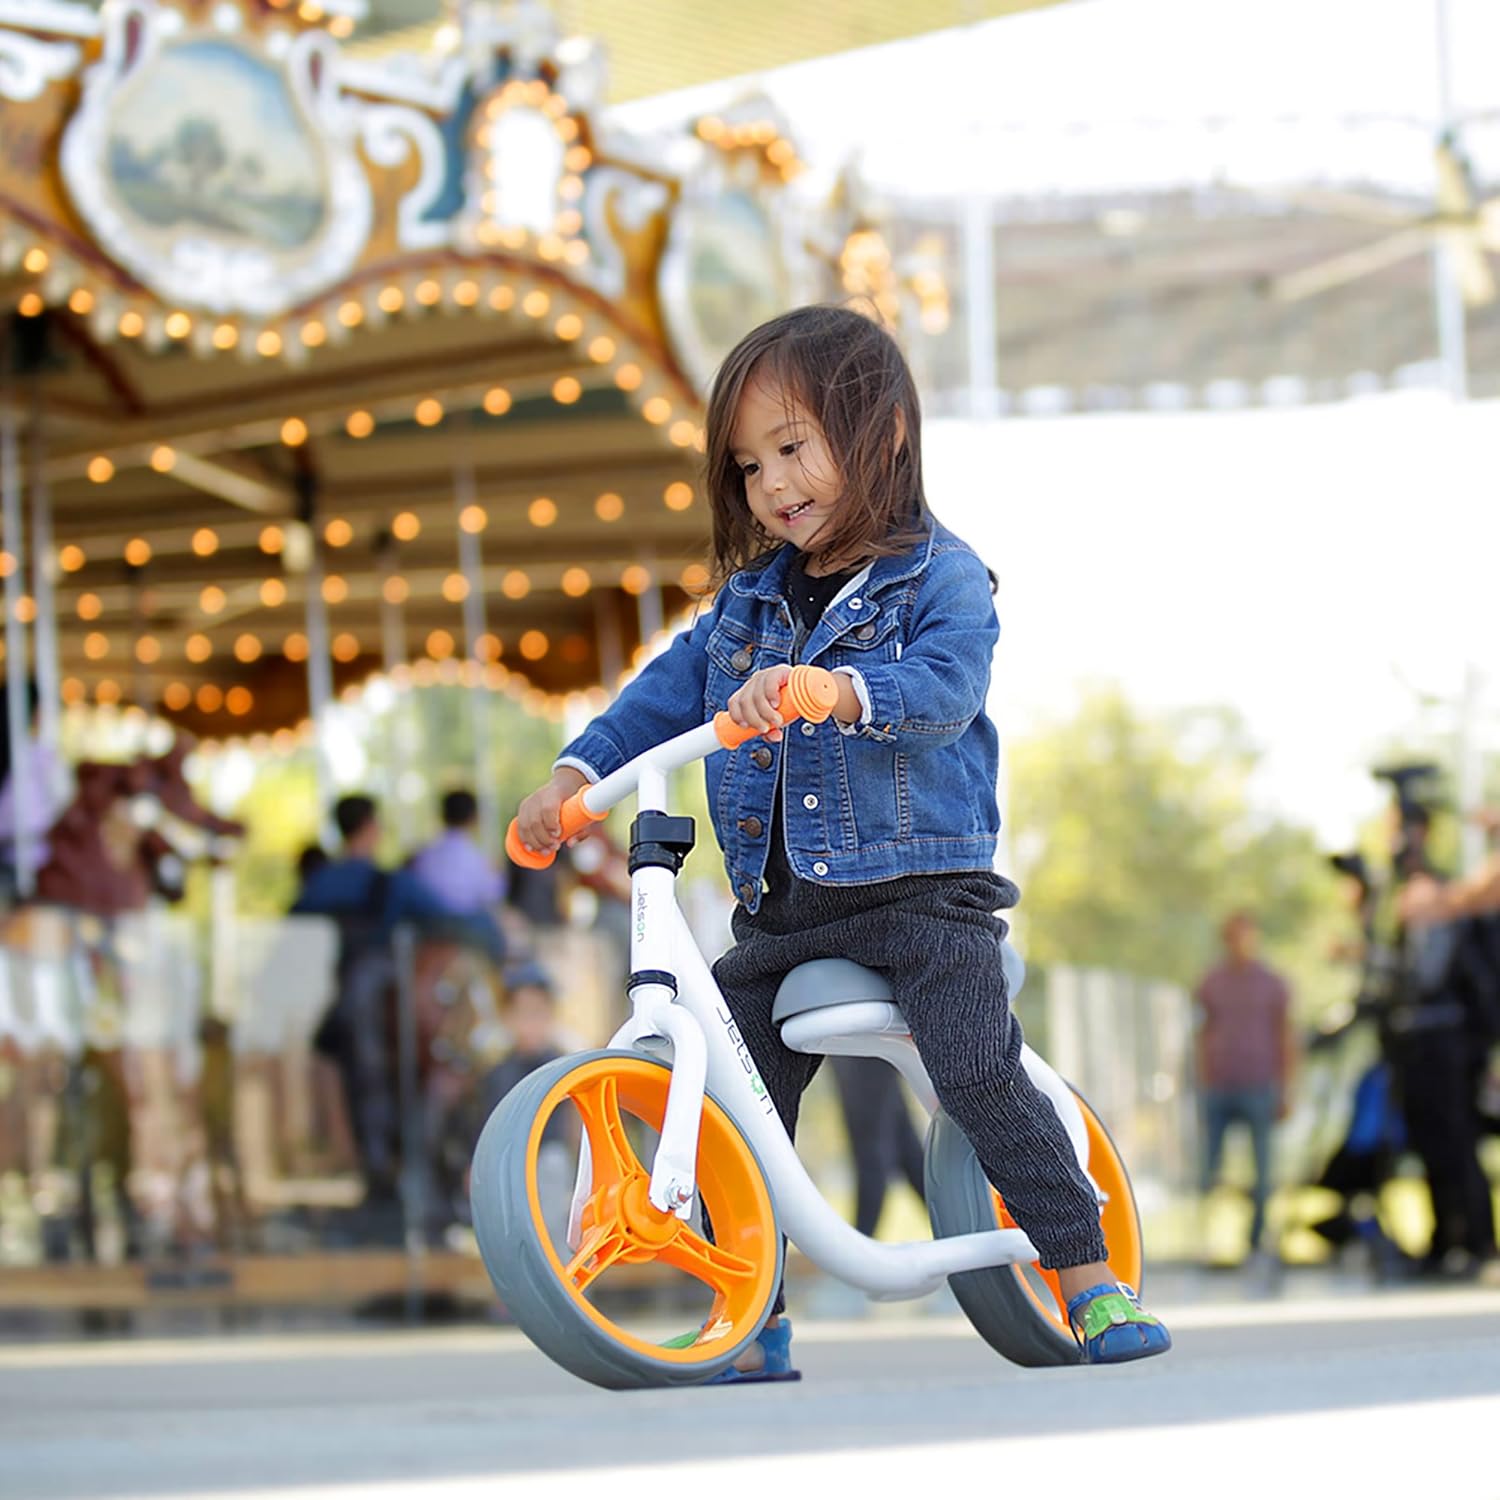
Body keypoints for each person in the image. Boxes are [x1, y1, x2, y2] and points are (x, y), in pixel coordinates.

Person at [515, 304, 1171, 1375]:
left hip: (922, 899)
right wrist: (575, 777)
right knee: (734, 1097)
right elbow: (664, 695)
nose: (772, 484)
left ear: (884, 435)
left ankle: (1089, 1277)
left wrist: (840, 691)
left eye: (791, 447)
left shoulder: (942, 577)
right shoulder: (745, 608)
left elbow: (947, 687)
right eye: (748, 467)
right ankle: (753, 1312)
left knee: (975, 1068)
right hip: (784, 915)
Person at [292, 794, 504, 1204]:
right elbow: (450, 915)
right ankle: (408, 1177)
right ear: (371, 828)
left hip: (334, 996)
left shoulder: (321, 883)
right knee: (400, 1079)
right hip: (378, 990)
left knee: (361, 1083)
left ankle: (377, 1174)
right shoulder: (388, 883)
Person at [1193, 911, 1295, 1267]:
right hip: (1219, 1086)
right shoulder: (1211, 982)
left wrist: (1287, 1088)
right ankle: (1207, 1240)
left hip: (1260, 1084)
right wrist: (1201, 1079)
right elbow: (1201, 1033)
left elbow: (1286, 1036)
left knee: (1263, 1170)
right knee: (1209, 1167)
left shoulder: (1273, 984)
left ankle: (1256, 1241)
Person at [830, 1055, 926, 1238]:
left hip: (861, 1049)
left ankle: (859, 1245)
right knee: (907, 1149)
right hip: (860, 1049)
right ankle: (961, 1229)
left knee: (872, 1153)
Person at [409, 790, 507, 918]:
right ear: (474, 818)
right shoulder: (478, 859)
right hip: (466, 923)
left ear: (442, 816)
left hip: (429, 923)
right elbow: (494, 894)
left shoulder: (423, 856)